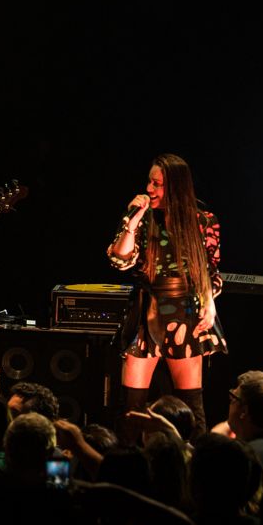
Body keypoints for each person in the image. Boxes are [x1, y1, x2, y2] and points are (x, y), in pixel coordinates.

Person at [108, 153, 225, 441]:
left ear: (175, 186)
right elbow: (121, 260)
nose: (149, 189)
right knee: (131, 405)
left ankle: (193, 459)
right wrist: (132, 223)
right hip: (147, 309)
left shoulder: (203, 221)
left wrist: (209, 303)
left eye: (157, 184)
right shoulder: (143, 218)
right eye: (149, 182)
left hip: (185, 311)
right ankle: (129, 458)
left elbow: (210, 272)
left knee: (190, 404)